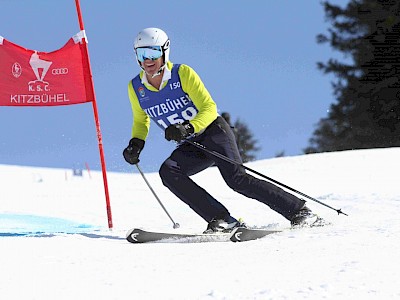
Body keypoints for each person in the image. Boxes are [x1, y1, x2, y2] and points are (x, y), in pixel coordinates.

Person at [123, 28, 319, 233]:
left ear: (165, 51)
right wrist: (136, 143)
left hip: (214, 132)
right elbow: (141, 120)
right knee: (169, 171)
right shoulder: (136, 87)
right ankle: (222, 219)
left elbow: (209, 108)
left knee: (237, 179)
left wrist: (188, 127)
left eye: (153, 53)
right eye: (142, 54)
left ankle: (300, 211)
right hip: (192, 144)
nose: (148, 60)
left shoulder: (182, 74)